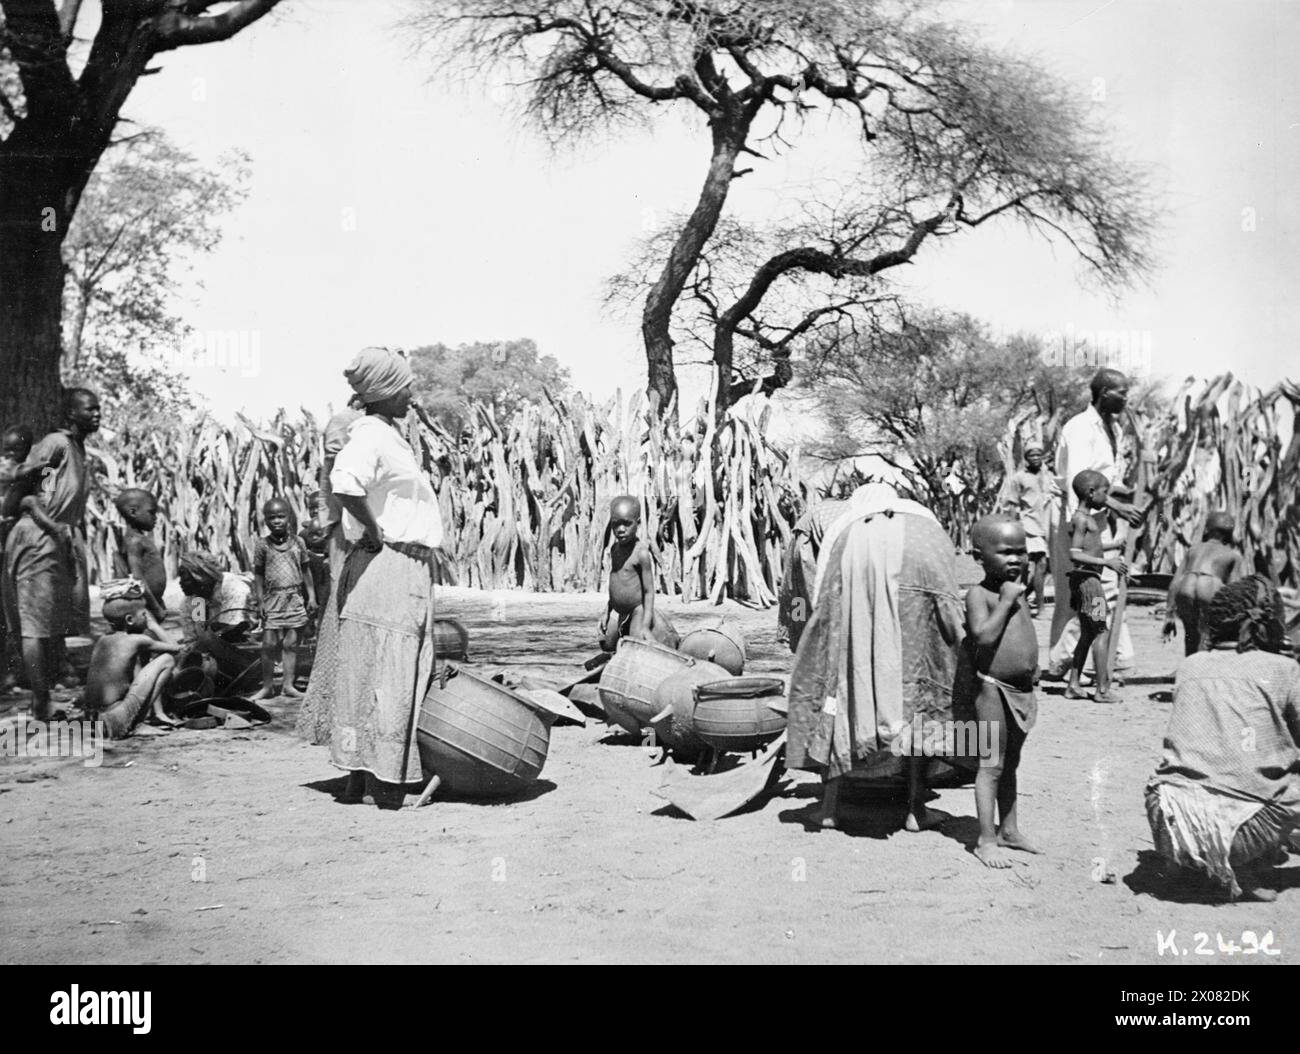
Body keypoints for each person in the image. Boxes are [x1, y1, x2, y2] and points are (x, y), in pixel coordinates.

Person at [303, 347, 444, 807]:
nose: (410, 394)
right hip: (392, 565)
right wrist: (373, 529)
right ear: (384, 393)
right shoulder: (373, 436)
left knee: (367, 671)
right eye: (404, 387)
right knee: (391, 673)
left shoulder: (383, 434)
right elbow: (345, 482)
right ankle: (383, 782)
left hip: (391, 568)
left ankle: (359, 779)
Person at [787, 483, 966, 833]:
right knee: (917, 699)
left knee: (837, 689)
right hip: (921, 568)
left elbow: (815, 589)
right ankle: (916, 808)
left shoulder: (843, 522)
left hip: (852, 566)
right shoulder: (922, 521)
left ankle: (828, 809)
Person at [1145, 576, 1300, 902]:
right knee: (1282, 774)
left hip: (1168, 821)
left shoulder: (1190, 665)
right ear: (1270, 623)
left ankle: (1195, 864)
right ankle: (1245, 865)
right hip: (1241, 831)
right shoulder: (1283, 669)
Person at [5, 389, 100, 719]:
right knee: (34, 623)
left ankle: (43, 695)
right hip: (37, 537)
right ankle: (40, 701)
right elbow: (22, 474)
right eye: (90, 409)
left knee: (47, 622)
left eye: (98, 408)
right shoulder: (57, 443)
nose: (97, 414)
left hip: (56, 539)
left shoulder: (77, 449)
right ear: (71, 414)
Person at [1047, 369, 1143, 679]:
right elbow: (1079, 482)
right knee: (1083, 591)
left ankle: (1103, 658)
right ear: (1104, 393)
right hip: (1079, 517)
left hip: (1101, 515)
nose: (1126, 398)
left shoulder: (1111, 427)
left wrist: (1123, 496)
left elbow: (1103, 480)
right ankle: (1064, 662)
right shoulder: (1080, 428)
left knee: (1105, 589)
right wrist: (1116, 505)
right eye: (1121, 392)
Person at [963, 514, 1040, 867]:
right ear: (980, 558)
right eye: (1006, 553)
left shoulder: (1017, 589)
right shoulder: (980, 594)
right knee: (991, 765)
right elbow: (983, 636)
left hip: (1022, 691)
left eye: (1021, 552)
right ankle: (985, 839)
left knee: (1011, 765)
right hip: (992, 690)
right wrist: (1007, 600)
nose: (1016, 560)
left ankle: (1009, 830)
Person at [1064, 470, 1128, 703]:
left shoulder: (1087, 519)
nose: (1106, 496)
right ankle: (1102, 690)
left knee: (1089, 632)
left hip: (1086, 581)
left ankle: (1073, 685)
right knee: (1101, 630)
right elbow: (1075, 553)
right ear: (1091, 493)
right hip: (1090, 583)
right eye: (1104, 492)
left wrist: (1114, 545)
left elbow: (1091, 547)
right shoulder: (1082, 519)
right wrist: (1106, 562)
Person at [82, 593, 182, 739]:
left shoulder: (103, 640)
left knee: (137, 662)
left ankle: (137, 720)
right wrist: (153, 626)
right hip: (114, 722)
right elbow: (175, 648)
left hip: (91, 721)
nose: (146, 618)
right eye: (144, 615)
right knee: (167, 660)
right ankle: (136, 724)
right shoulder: (137, 640)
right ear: (129, 619)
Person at [251, 496, 315, 700]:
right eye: (271, 518)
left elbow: (306, 571)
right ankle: (267, 686)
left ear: (289, 517)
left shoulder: (299, 542)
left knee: (291, 644)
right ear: (265, 520)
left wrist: (311, 596)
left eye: (280, 516)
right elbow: (259, 574)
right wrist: (260, 600)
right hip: (272, 597)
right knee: (269, 643)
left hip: (294, 597)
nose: (276, 521)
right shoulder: (262, 545)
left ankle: (288, 685)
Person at [599, 494, 678, 651]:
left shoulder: (641, 554)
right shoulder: (614, 550)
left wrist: (645, 626)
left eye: (627, 524)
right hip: (619, 611)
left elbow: (648, 592)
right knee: (605, 642)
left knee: (635, 647)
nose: (621, 530)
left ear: (638, 523)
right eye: (616, 524)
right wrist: (606, 612)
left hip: (637, 610)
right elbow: (615, 585)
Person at [1162, 511, 1244, 656]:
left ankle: (1189, 665)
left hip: (1187, 584)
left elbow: (1175, 582)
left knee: (1190, 633)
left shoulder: (1193, 549)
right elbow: (1234, 589)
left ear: (1207, 529)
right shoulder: (1232, 555)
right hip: (1210, 585)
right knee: (1207, 633)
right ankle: (1201, 669)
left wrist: (1169, 613)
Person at [998, 442, 1057, 616]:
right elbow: (1013, 503)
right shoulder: (1019, 478)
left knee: (1042, 568)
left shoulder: (1050, 475)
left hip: (1047, 525)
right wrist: (1013, 528)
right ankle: (1040, 608)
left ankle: (1022, 599)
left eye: (1039, 455)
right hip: (1029, 524)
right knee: (1038, 563)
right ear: (1026, 458)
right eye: (1032, 455)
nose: (1036, 458)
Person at [112, 488, 168, 624]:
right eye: (151, 512)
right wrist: (156, 608)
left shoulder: (139, 539)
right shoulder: (134, 541)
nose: (155, 518)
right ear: (133, 512)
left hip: (150, 601)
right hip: (144, 604)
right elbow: (137, 578)